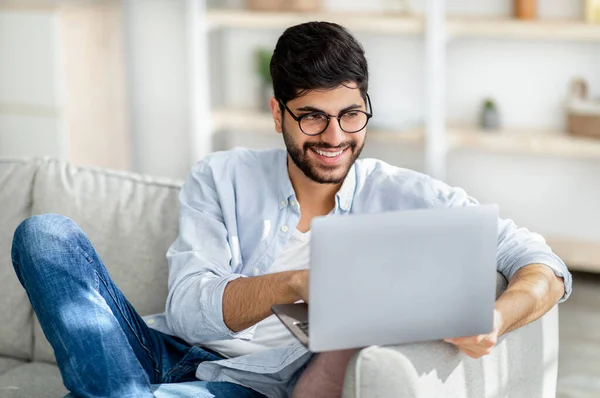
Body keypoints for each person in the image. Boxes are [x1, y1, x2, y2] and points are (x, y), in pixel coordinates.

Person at [11, 21, 571, 398]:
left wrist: (496, 319)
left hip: (245, 384)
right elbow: (186, 312)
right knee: (44, 235)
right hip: (157, 347)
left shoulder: (406, 196)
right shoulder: (221, 176)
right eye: (312, 117)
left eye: (351, 115)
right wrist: (297, 282)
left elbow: (542, 264)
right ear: (278, 114)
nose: (335, 136)